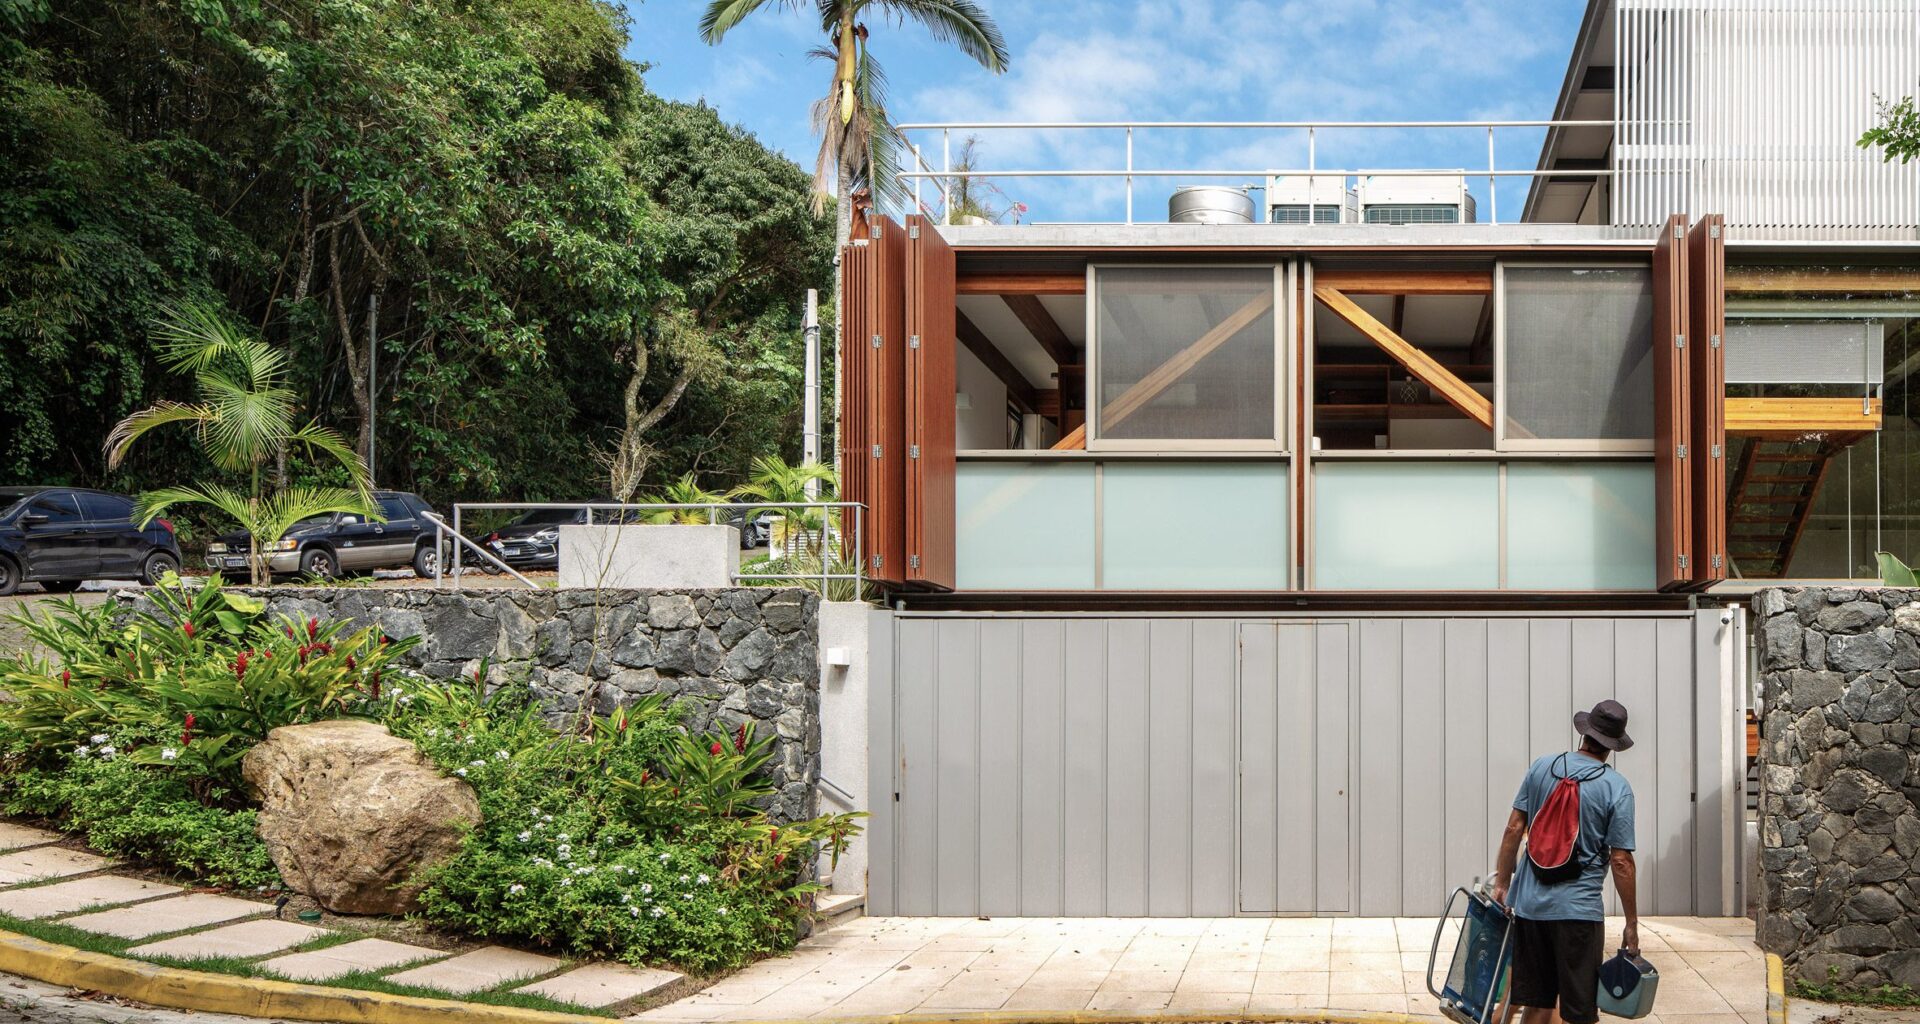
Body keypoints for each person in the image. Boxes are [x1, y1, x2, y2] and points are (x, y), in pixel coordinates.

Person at [1490, 699, 1639, 1024]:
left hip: (1529, 909)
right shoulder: (1616, 787)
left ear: (1584, 733)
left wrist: (1503, 883)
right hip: (1578, 915)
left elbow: (1514, 828)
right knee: (1578, 1013)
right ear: (1613, 746)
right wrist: (1631, 923)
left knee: (1536, 1003)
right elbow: (1621, 862)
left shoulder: (1543, 766)